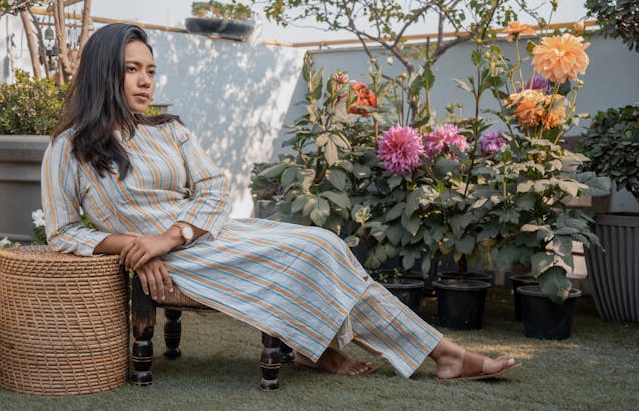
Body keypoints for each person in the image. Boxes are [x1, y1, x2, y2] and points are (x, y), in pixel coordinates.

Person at [42, 23, 519, 381]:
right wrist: (133, 245)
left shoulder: (169, 130)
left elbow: (213, 189)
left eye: (150, 70)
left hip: (204, 236)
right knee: (314, 249)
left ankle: (390, 349)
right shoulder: (69, 147)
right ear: (104, 73)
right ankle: (439, 354)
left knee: (325, 242)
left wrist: (169, 235)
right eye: (131, 70)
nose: (145, 81)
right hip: (188, 262)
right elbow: (63, 232)